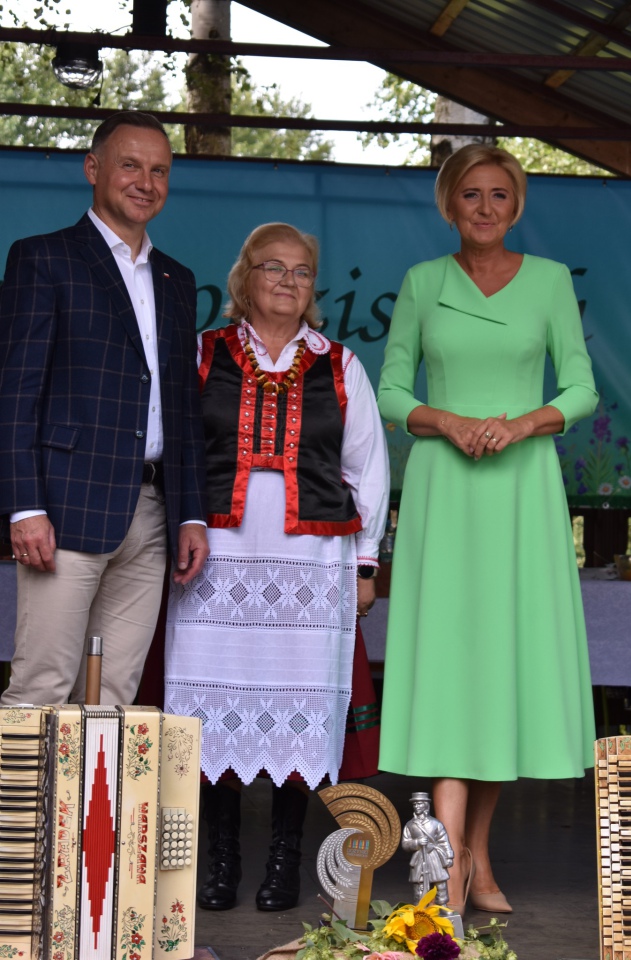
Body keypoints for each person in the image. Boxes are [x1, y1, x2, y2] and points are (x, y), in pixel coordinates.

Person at [377, 144, 598, 916]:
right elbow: (390, 389)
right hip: (444, 490)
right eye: (469, 194)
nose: (484, 207)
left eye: (499, 194)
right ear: (448, 205)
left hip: (520, 489)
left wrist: (524, 424)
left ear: (517, 205)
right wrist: (447, 421)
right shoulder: (421, 282)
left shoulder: (548, 282)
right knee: (450, 663)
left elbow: (580, 387)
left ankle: (473, 852)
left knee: (500, 662)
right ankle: (448, 866)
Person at [165, 222, 389, 912]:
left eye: (301, 271)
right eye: (273, 267)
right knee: (212, 707)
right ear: (244, 278)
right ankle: (221, 859)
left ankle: (285, 861)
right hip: (215, 560)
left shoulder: (339, 364)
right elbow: (174, 448)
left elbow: (369, 468)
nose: (288, 281)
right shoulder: (202, 353)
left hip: (310, 564)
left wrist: (365, 563)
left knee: (301, 708)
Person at [0, 111, 208, 707]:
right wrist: (25, 507)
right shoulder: (43, 259)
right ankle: (22, 781)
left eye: (159, 171)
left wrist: (191, 514)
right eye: (130, 165)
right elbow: (14, 393)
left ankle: (90, 784)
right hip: (65, 506)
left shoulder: (177, 280)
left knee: (112, 700)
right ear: (93, 169)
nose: (146, 182)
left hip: (152, 513)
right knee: (41, 689)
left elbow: (183, 408)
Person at [402, 792, 454, 906]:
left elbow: (443, 841)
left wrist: (449, 856)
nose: (417, 806)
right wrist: (417, 842)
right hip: (419, 858)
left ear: (426, 805)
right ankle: (420, 908)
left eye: (420, 803)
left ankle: (442, 906)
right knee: (419, 885)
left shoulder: (436, 823)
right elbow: (405, 844)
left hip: (434, 856)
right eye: (415, 804)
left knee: (440, 883)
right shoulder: (409, 825)